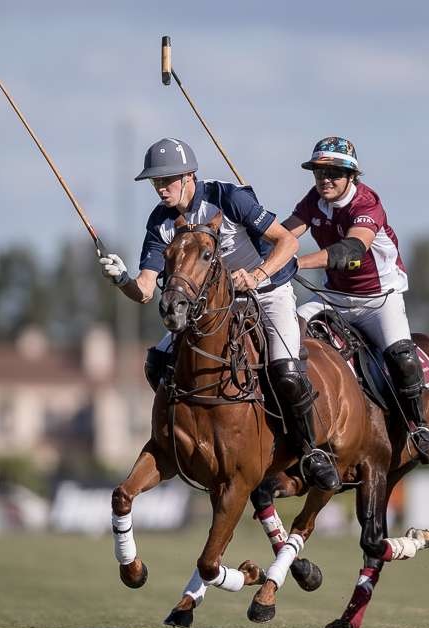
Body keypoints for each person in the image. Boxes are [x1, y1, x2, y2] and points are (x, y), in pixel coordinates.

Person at [97, 137, 340, 491]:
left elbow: (287, 242)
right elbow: (146, 290)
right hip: (216, 308)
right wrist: (121, 280)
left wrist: (257, 275)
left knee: (286, 371)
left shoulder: (228, 198)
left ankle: (309, 451)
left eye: (167, 180)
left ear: (189, 176)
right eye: (155, 182)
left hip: (269, 292)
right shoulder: (161, 222)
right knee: (157, 361)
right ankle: (178, 437)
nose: (161, 189)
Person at [280, 136, 429, 464]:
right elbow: (284, 234)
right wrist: (256, 229)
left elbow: (350, 250)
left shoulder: (367, 205)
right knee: (287, 332)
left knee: (403, 358)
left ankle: (418, 426)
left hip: (378, 300)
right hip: (334, 297)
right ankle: (297, 425)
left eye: (334, 173)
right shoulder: (314, 200)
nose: (325, 180)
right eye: (319, 172)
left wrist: (296, 262)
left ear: (352, 176)